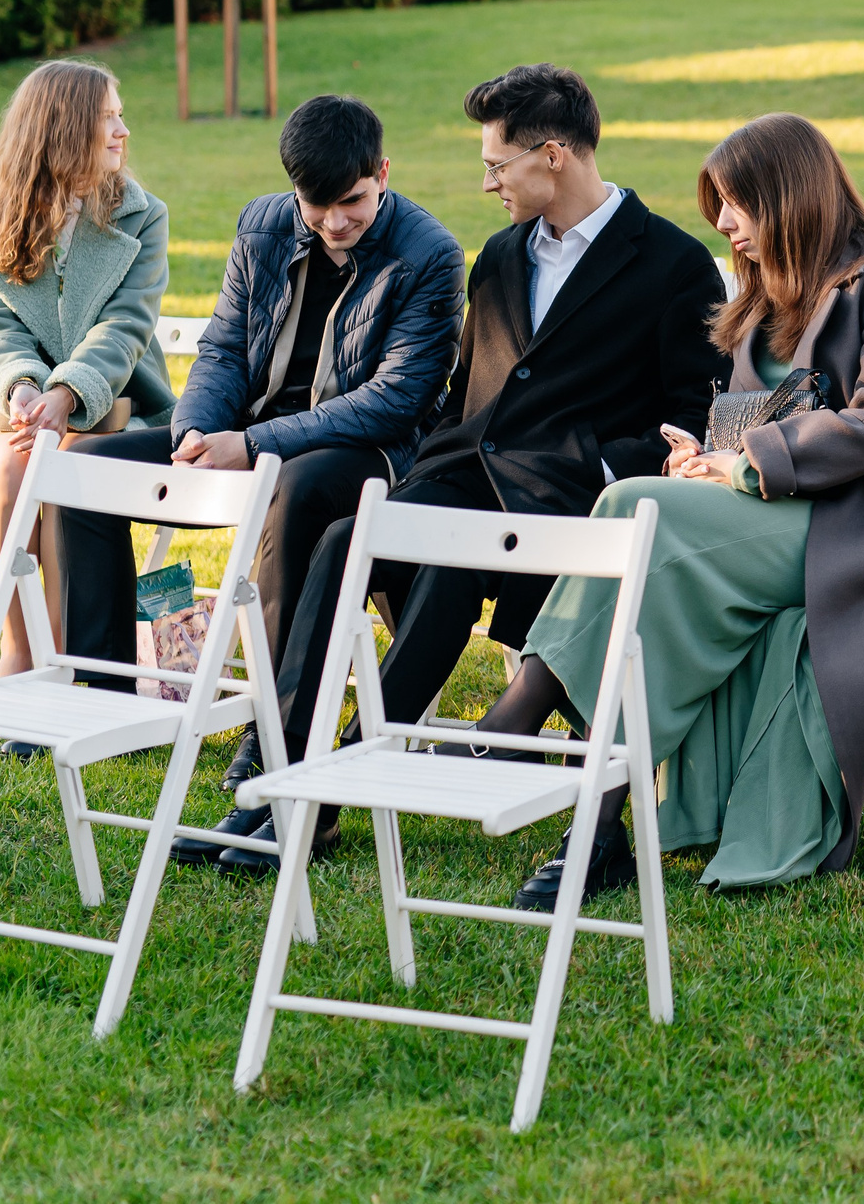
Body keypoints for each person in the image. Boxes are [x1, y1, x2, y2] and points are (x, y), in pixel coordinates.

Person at [212, 63, 727, 873]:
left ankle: (316, 798)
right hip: (460, 482)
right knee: (349, 537)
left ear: (551, 156)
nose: (486, 182)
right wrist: (432, 470)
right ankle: (284, 766)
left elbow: (686, 419)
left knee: (442, 559)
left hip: (568, 503)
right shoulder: (498, 256)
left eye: (497, 165)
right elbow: (463, 395)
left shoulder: (674, 265)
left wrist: (593, 463)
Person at [460, 112, 864, 906]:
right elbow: (751, 422)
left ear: (788, 196)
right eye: (717, 205)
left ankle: (517, 718)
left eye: (735, 204)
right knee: (643, 558)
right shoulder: (762, 296)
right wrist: (705, 454)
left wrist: (744, 460)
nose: (723, 223)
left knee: (628, 507)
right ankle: (600, 827)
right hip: (761, 512)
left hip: (852, 532)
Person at [47, 94, 466, 858]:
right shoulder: (263, 224)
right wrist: (195, 430)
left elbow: (396, 400)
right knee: (83, 469)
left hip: (369, 451)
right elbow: (223, 347)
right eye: (317, 206)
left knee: (299, 486)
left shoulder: (429, 253)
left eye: (353, 203)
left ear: (383, 174)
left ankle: (267, 733)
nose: (335, 223)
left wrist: (255, 443)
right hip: (249, 435)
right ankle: (108, 698)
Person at [0, 59, 171, 748]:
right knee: (17, 463)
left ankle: (58, 666)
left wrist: (67, 390)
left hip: (117, 398)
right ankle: (23, 651)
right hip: (18, 405)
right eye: (109, 116)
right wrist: (21, 385)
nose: (123, 130)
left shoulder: (142, 215)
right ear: (65, 125)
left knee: (67, 462)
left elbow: (127, 326)